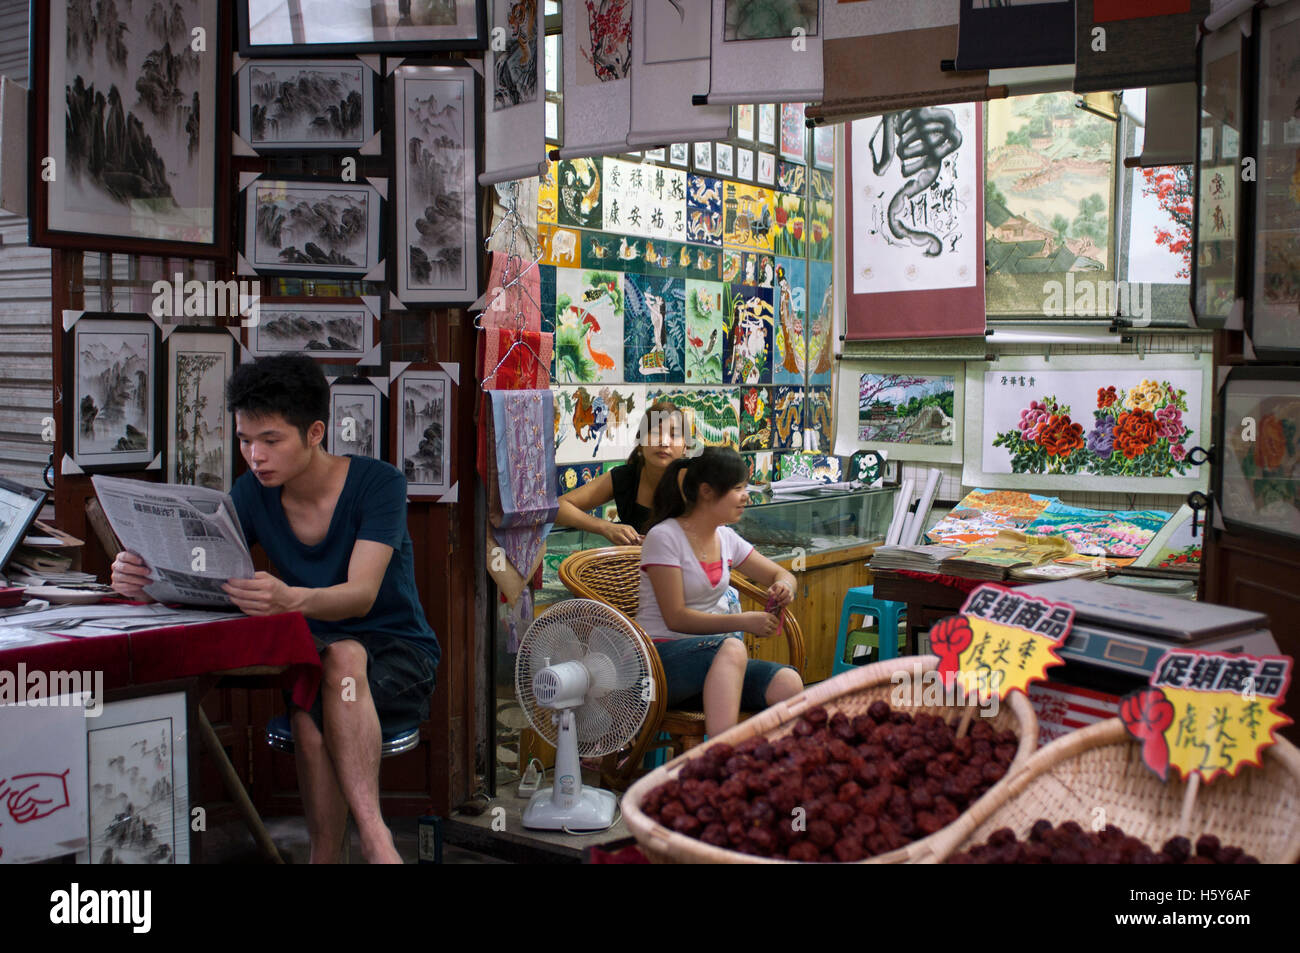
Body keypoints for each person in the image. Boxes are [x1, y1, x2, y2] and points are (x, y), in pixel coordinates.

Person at [110, 355, 439, 865]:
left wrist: (290, 599)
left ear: (314, 433)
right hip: (314, 657)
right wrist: (145, 582)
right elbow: (207, 573)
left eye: (270, 440)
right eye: (245, 440)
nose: (254, 456)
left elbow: (361, 595)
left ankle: (369, 843)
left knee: (342, 660)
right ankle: (339, 854)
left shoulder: (380, 485)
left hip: (399, 655)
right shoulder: (251, 494)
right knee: (318, 699)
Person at [637, 446, 803, 737]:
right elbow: (676, 618)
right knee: (732, 646)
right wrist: (742, 622)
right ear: (707, 491)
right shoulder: (664, 537)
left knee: (788, 683)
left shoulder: (725, 537)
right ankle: (721, 763)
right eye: (738, 488)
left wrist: (785, 586)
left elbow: (781, 573)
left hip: (716, 661)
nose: (745, 496)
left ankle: (772, 771)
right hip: (659, 664)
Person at [554, 399, 687, 543]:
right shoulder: (626, 477)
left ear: (685, 447)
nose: (664, 442)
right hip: (633, 564)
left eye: (674, 435)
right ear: (640, 443)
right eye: (656, 433)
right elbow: (558, 508)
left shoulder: (695, 482)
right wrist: (605, 527)